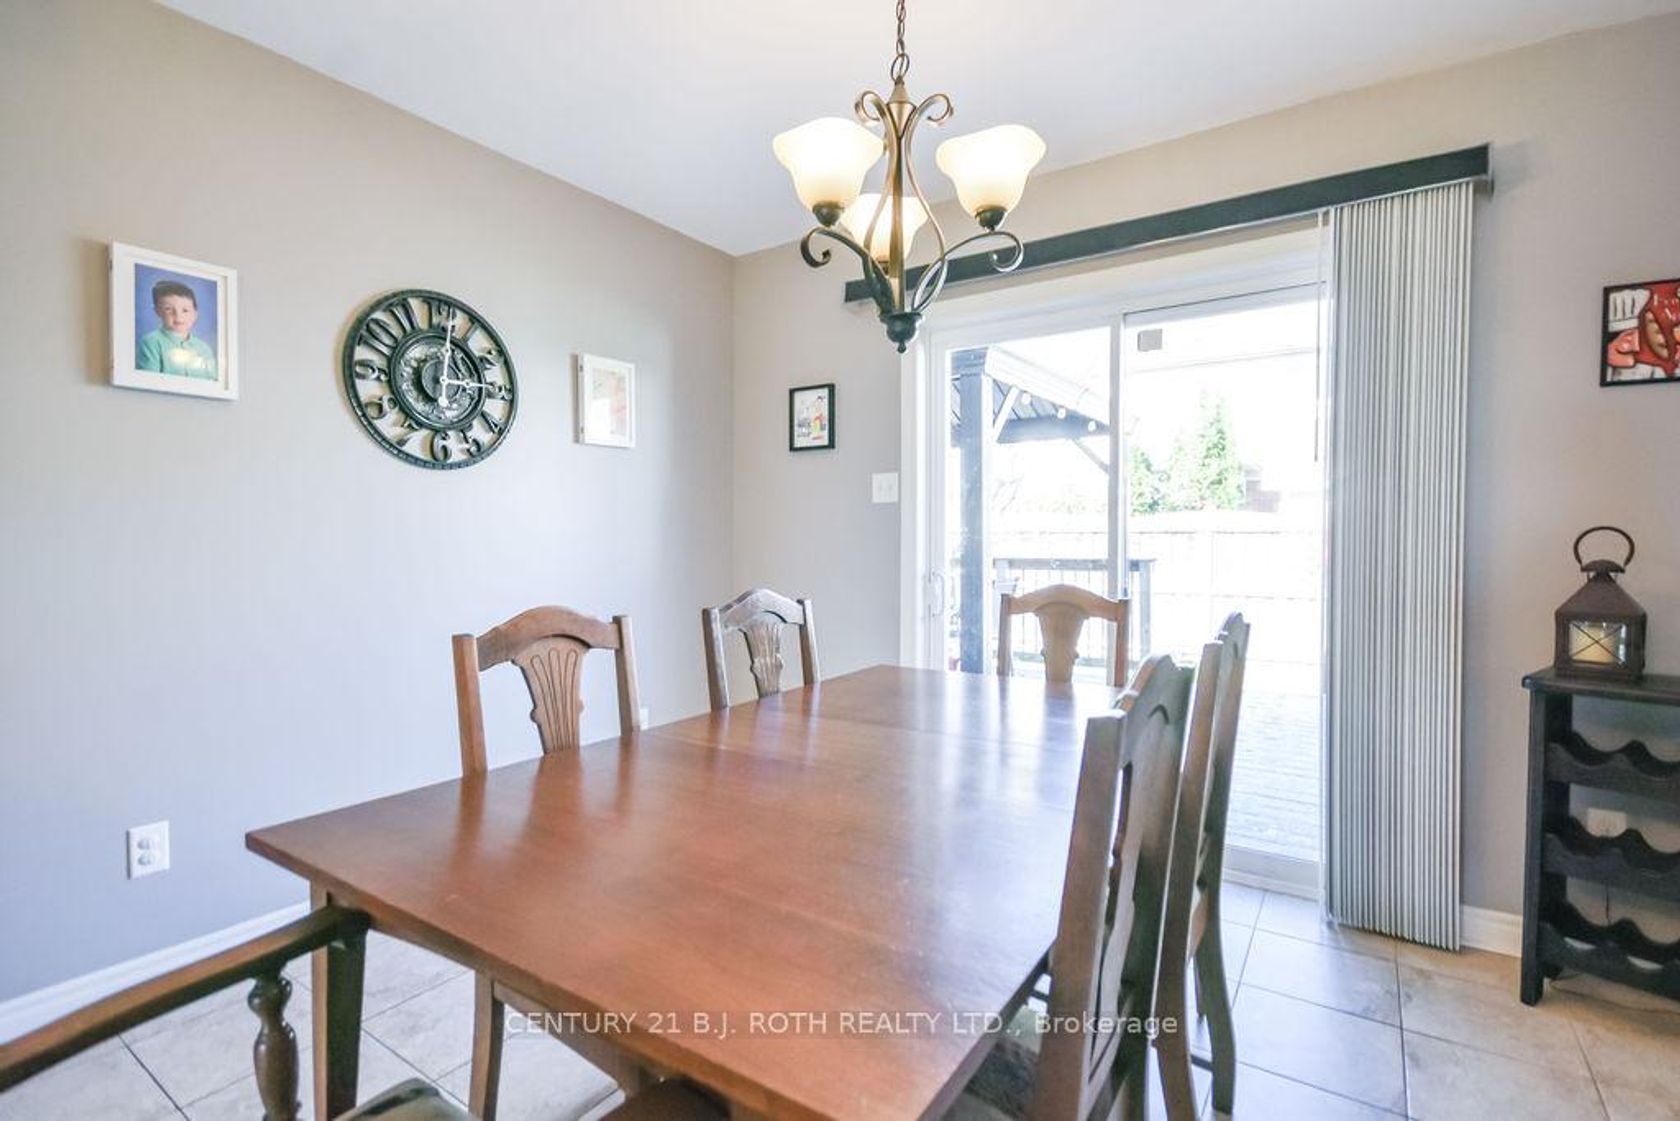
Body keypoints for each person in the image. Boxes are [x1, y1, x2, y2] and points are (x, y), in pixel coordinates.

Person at [136, 279, 217, 378]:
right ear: (157, 311)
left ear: (195, 314)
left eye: (185, 310)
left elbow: (213, 382)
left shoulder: (204, 349)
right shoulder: (151, 343)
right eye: (168, 309)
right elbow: (148, 381)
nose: (178, 316)